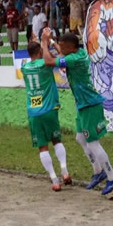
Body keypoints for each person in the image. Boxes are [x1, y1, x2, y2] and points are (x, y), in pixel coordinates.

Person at [41, 29, 113, 196]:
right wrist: (52, 42)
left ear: (70, 48)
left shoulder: (72, 59)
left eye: (62, 47)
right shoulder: (78, 53)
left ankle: (112, 176)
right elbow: (62, 51)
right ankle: (98, 171)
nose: (59, 49)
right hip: (83, 105)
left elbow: (49, 61)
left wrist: (43, 41)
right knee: (80, 138)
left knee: (93, 143)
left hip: (90, 105)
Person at [21, 41, 71, 191]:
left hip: (34, 112)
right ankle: (64, 171)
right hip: (49, 108)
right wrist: (51, 44)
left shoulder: (24, 68)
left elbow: (36, 55)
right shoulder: (45, 64)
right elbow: (62, 57)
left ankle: (55, 180)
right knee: (56, 140)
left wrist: (39, 43)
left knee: (43, 147)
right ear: (39, 52)